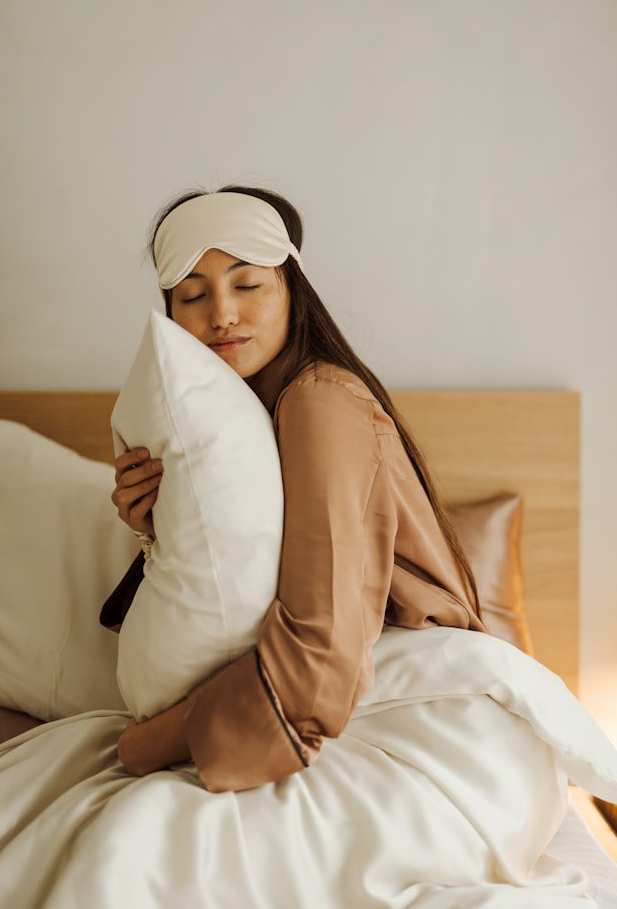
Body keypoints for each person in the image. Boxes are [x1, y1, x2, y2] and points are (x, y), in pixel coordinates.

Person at [104, 185, 489, 793]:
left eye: (247, 284)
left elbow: (323, 646)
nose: (221, 314)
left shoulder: (320, 402)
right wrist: (156, 527)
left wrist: (142, 745)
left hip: (394, 683)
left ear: (292, 289)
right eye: (192, 295)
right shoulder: (238, 418)